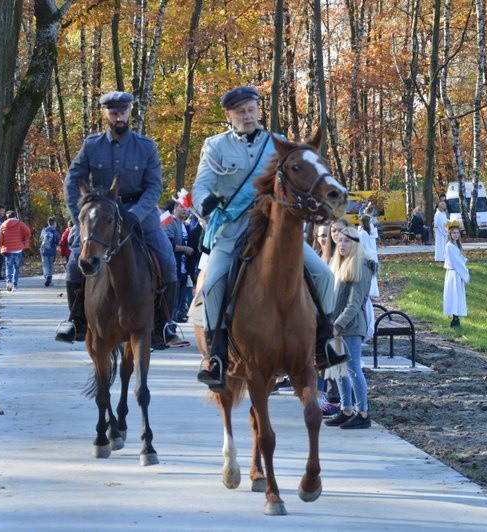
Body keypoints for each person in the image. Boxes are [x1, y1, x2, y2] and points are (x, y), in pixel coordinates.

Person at [192, 85, 347, 389]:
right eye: (240, 112)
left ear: (258, 111)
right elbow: (201, 186)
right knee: (212, 286)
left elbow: (301, 180)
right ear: (229, 115)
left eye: (251, 110)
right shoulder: (215, 146)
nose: (247, 116)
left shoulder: (279, 145)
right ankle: (216, 356)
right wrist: (205, 201)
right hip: (232, 231)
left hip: (274, 229)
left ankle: (324, 343)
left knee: (323, 276)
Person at [60, 90, 180, 348]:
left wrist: (136, 215)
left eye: (123, 112)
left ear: (129, 112)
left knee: (168, 262)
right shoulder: (92, 145)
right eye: (113, 113)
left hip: (139, 213)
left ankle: (165, 324)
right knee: (74, 265)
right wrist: (78, 215)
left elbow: (154, 186)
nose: (119, 117)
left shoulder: (146, 146)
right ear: (105, 114)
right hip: (99, 216)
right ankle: (76, 321)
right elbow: (72, 181)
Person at [323, 227, 376, 430]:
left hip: (351, 327)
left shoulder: (360, 266)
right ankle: (346, 410)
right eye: (340, 241)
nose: (342, 245)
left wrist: (338, 325)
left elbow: (354, 305)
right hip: (337, 327)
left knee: (353, 370)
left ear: (355, 243)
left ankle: (363, 413)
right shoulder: (340, 264)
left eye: (347, 241)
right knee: (340, 369)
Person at [164, 198, 196, 328]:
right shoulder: (169, 221)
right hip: (173, 267)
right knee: (171, 302)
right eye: (182, 207)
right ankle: (168, 329)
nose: (185, 210)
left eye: (187, 207)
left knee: (178, 302)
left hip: (183, 270)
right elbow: (167, 244)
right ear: (175, 208)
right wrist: (184, 249)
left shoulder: (184, 225)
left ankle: (173, 328)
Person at [443, 219, 469, 327]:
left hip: (457, 274)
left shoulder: (456, 245)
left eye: (457, 233)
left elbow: (460, 259)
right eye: (454, 233)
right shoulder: (449, 246)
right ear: (450, 233)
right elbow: (456, 262)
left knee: (458, 295)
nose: (456, 235)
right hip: (454, 273)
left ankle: (456, 317)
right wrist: (465, 271)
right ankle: (455, 318)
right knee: (454, 295)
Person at [0, 210, 31, 291]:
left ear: (7, 217)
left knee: (8, 266)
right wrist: (24, 240)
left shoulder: (2, 225)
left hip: (8, 249)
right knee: (16, 267)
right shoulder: (20, 224)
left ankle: (8, 280)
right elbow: (28, 232)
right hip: (18, 249)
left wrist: (1, 247)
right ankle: (15, 285)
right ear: (15, 216)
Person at [39, 217, 60, 286]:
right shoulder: (55, 232)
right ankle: (50, 279)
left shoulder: (44, 230)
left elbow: (40, 239)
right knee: (50, 265)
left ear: (48, 223)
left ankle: (47, 275)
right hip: (52, 251)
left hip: (44, 250)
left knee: (45, 265)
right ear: (54, 223)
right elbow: (57, 242)